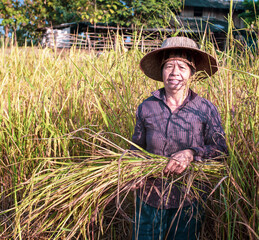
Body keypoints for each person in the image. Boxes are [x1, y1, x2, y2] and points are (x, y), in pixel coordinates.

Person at [130, 36, 228, 240]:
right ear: (161, 71)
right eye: (169, 66)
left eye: (182, 67)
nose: (175, 73)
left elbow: (220, 149)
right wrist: (133, 170)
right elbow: (136, 148)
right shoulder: (146, 107)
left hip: (188, 199)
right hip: (149, 197)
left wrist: (192, 153)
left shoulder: (205, 109)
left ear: (191, 72)